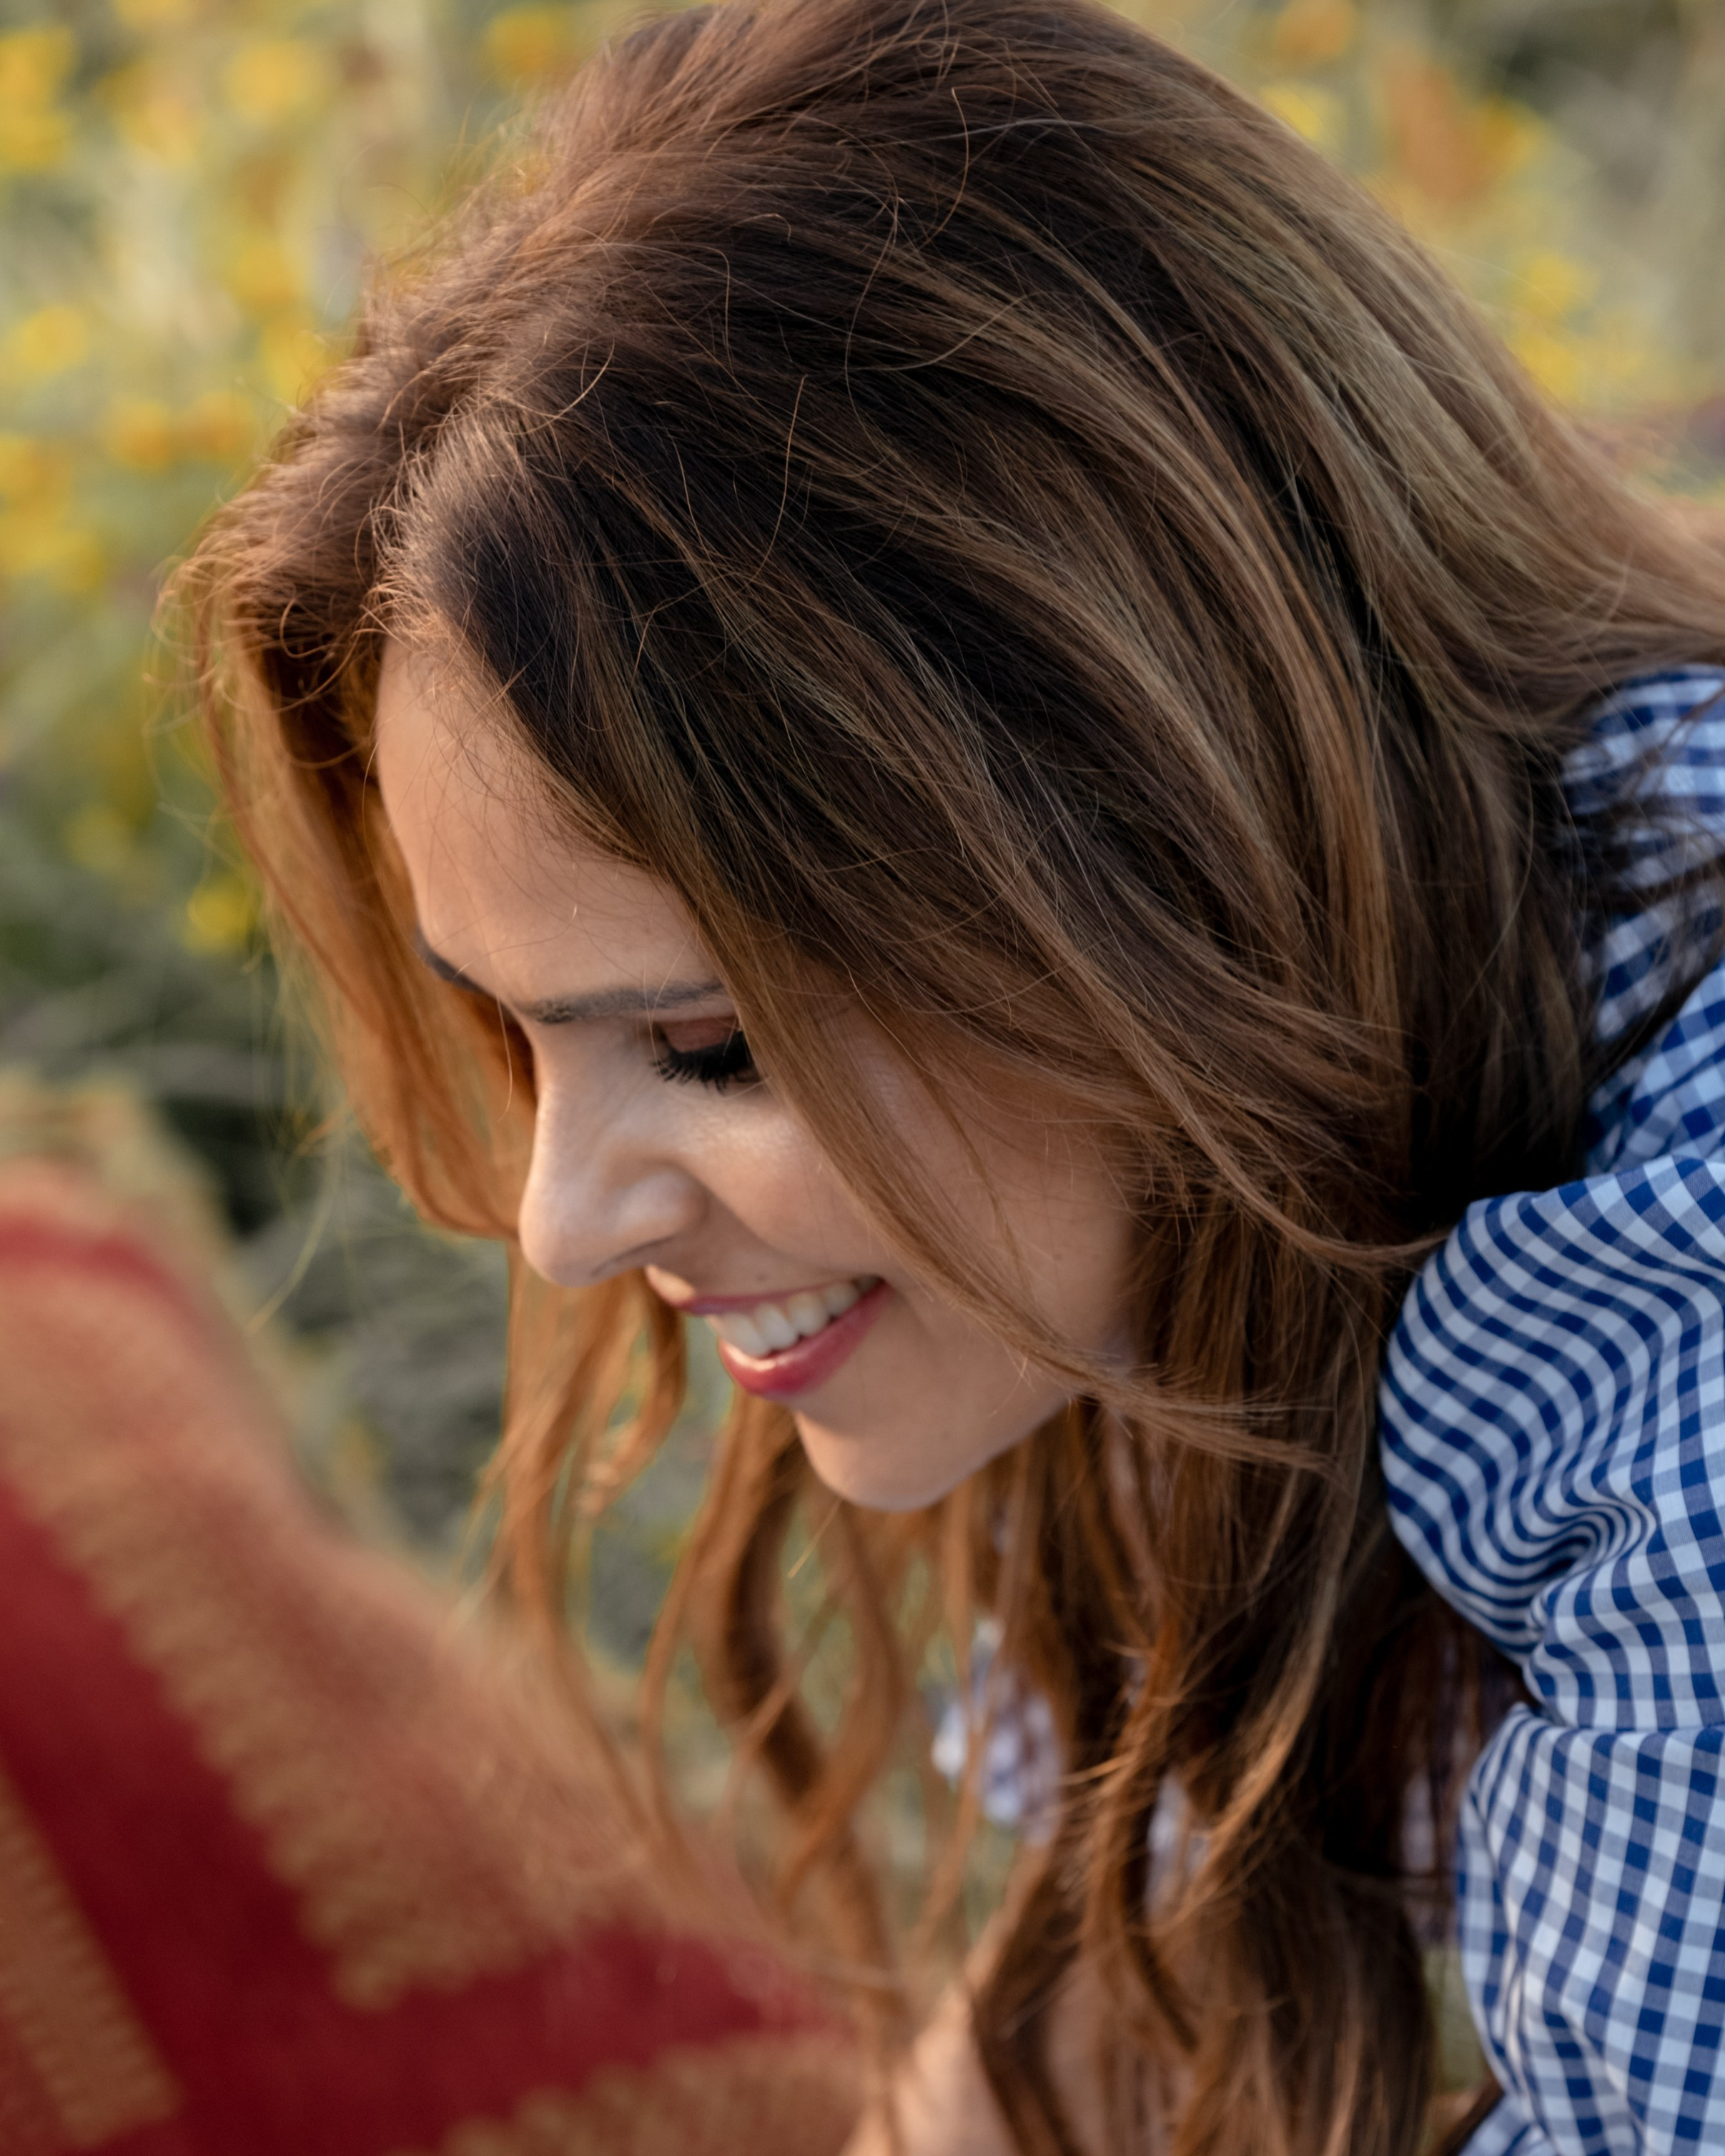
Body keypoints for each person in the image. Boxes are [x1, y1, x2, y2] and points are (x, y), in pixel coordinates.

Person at [180, 0, 1725, 2147]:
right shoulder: (1311, 1127)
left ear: (1165, 869)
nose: (564, 1214)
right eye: (518, 1031)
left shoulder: (1687, 1366)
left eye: (706, 1048)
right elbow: (1097, 2003)